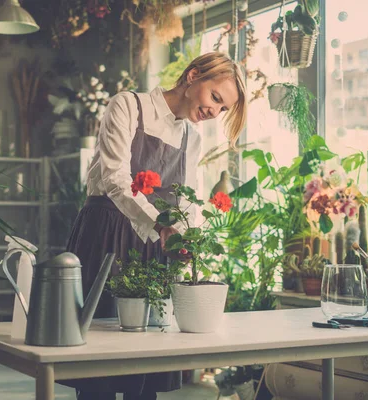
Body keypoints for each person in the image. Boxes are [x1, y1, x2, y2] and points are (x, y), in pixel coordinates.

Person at [62, 51, 248, 400]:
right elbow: (115, 178)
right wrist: (163, 225)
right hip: (106, 235)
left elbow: (188, 199)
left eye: (222, 109)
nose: (214, 111)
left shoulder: (191, 137)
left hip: (157, 246)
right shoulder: (128, 106)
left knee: (146, 368)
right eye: (216, 98)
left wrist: (187, 244)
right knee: (96, 363)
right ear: (193, 76)